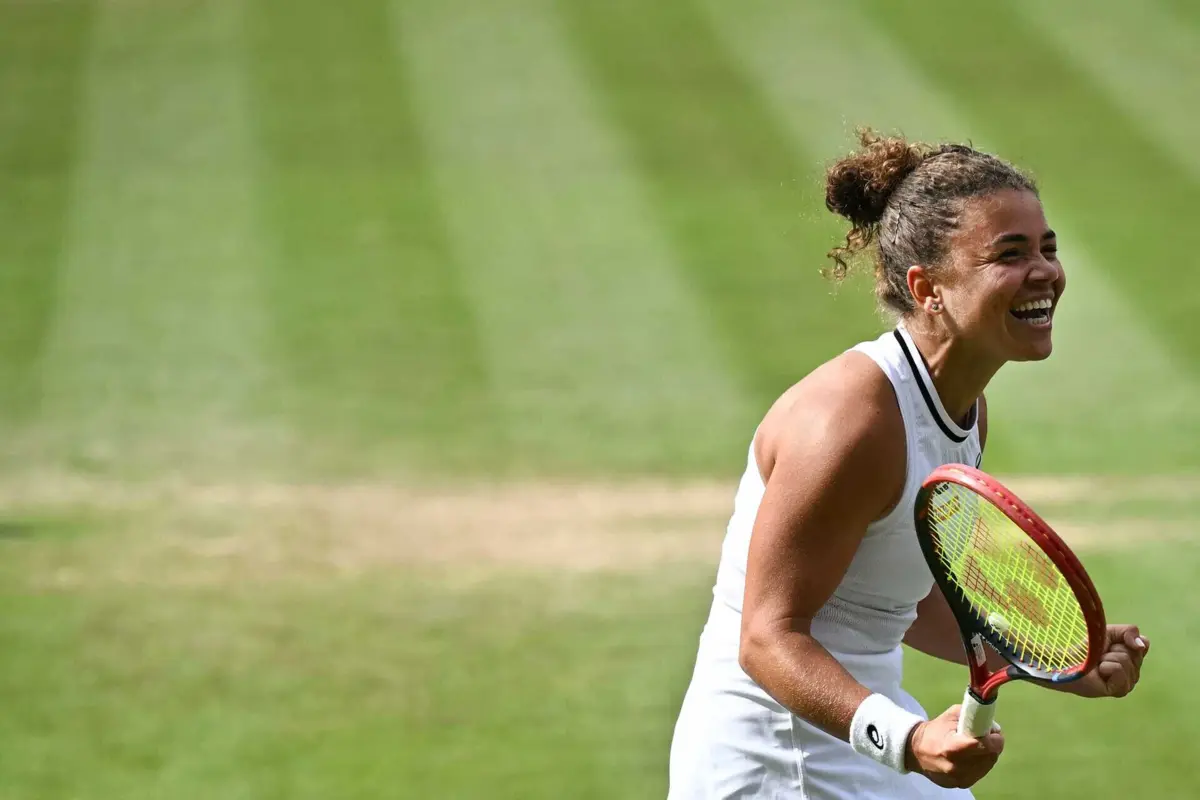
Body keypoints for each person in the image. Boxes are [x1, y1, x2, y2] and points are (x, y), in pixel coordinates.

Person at [666, 130, 1150, 799]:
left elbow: (897, 592)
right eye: (1010, 254)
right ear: (928, 289)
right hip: (780, 760)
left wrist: (1058, 663)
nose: (1044, 271)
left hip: (856, 726)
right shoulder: (850, 422)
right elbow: (767, 637)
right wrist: (909, 740)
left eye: (1047, 248)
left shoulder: (964, 406)